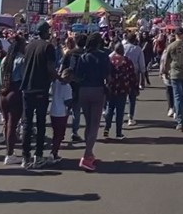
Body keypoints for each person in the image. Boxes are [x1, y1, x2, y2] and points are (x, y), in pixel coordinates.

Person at [21, 22, 57, 168]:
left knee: (27, 124)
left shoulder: (29, 46)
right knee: (41, 123)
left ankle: (25, 156)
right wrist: (59, 78)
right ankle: (39, 155)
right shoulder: (48, 47)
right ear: (45, 32)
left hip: (27, 88)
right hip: (40, 88)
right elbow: (50, 69)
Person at [73, 32, 111, 172]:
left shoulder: (83, 57)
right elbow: (108, 76)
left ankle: (89, 153)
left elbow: (77, 76)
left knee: (88, 123)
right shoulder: (103, 56)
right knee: (95, 124)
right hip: (97, 89)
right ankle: (87, 155)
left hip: (84, 90)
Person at [0, 35, 26, 164]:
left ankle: (9, 151)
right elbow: (23, 78)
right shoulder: (22, 60)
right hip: (15, 92)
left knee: (6, 123)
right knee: (12, 124)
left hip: (4, 92)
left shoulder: (5, 59)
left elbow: (1, 77)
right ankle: (9, 154)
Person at [104, 42, 136, 139]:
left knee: (110, 108)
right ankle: (118, 133)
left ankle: (107, 128)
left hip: (111, 88)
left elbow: (106, 74)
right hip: (123, 89)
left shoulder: (110, 61)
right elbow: (132, 76)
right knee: (120, 111)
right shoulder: (127, 61)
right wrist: (134, 87)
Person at [48, 65, 74, 164]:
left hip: (53, 111)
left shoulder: (55, 83)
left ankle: (54, 151)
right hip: (62, 113)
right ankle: (53, 153)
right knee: (59, 134)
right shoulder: (67, 87)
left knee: (55, 133)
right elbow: (68, 102)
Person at [121, 32, 146, 126]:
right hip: (134, 75)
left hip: (122, 74)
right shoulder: (138, 49)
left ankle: (120, 115)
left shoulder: (122, 47)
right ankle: (131, 117)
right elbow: (142, 65)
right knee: (132, 97)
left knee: (122, 95)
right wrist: (143, 79)